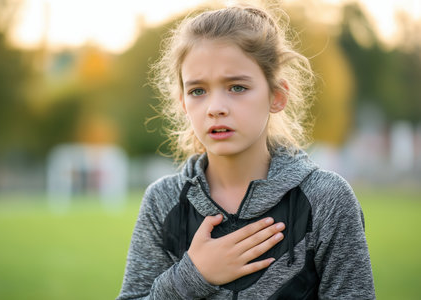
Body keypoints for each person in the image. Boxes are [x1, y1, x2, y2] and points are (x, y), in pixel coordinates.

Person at [116, 3, 375, 300]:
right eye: (198, 91)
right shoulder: (162, 201)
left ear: (276, 96)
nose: (215, 108)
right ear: (184, 103)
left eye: (237, 87)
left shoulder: (327, 198)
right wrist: (192, 276)